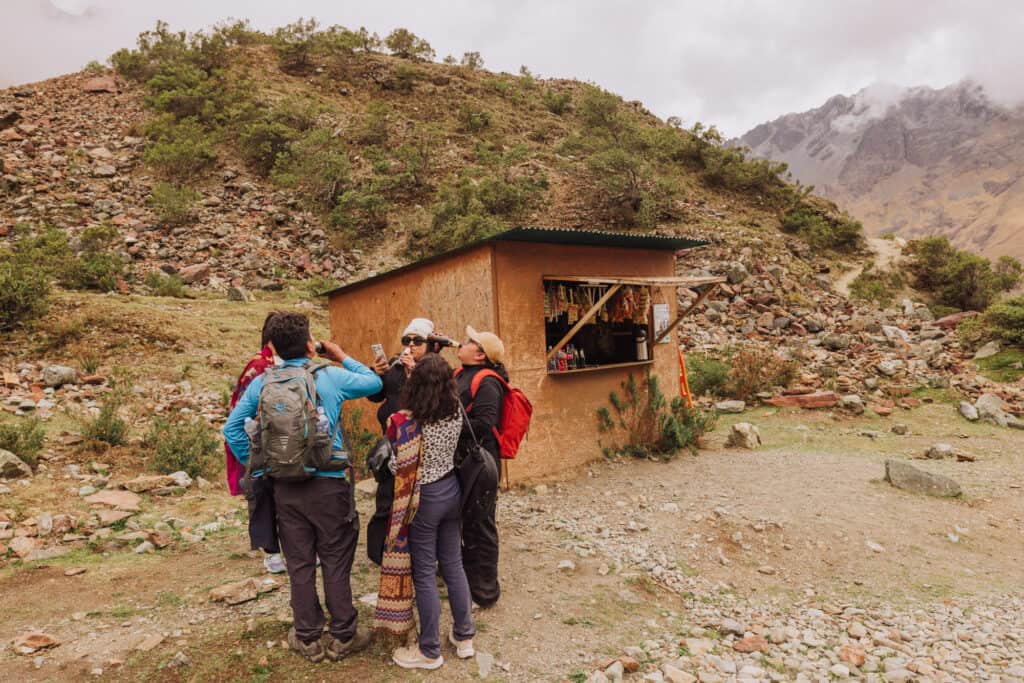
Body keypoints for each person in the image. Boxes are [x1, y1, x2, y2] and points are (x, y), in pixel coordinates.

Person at [223, 312, 383, 663]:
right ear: (311, 344)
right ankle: (343, 635)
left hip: (285, 487)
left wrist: (261, 466)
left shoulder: (262, 383)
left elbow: (231, 429)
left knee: (299, 563)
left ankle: (307, 637)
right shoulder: (329, 376)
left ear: (273, 348)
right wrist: (340, 355)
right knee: (335, 559)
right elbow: (374, 383)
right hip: (329, 485)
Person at [375, 353, 476, 670]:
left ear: (415, 384)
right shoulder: (455, 410)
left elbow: (397, 467)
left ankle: (429, 650)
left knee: (424, 574)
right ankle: (464, 636)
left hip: (424, 500)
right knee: (453, 564)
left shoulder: (406, 421)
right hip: (451, 490)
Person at [225, 311, 284, 574]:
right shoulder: (259, 367)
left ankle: (290, 547)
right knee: (264, 496)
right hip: (261, 443)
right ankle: (272, 552)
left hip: (284, 442)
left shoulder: (284, 364)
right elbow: (240, 415)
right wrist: (249, 456)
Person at [455, 325, 507, 608]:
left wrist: (446, 423)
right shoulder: (461, 374)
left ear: (480, 354)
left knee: (481, 525)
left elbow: (485, 423)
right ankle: (467, 582)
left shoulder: (487, 382)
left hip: (481, 464)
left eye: (468, 342)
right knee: (466, 523)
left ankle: (486, 593)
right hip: (464, 461)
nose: (461, 344)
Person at [367, 318, 445, 433]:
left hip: (417, 436)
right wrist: (376, 375)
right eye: (407, 340)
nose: (411, 344)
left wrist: (415, 370)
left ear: (428, 344)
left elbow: (432, 401)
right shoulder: (395, 365)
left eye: (418, 341)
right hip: (390, 433)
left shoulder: (437, 368)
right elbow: (375, 397)